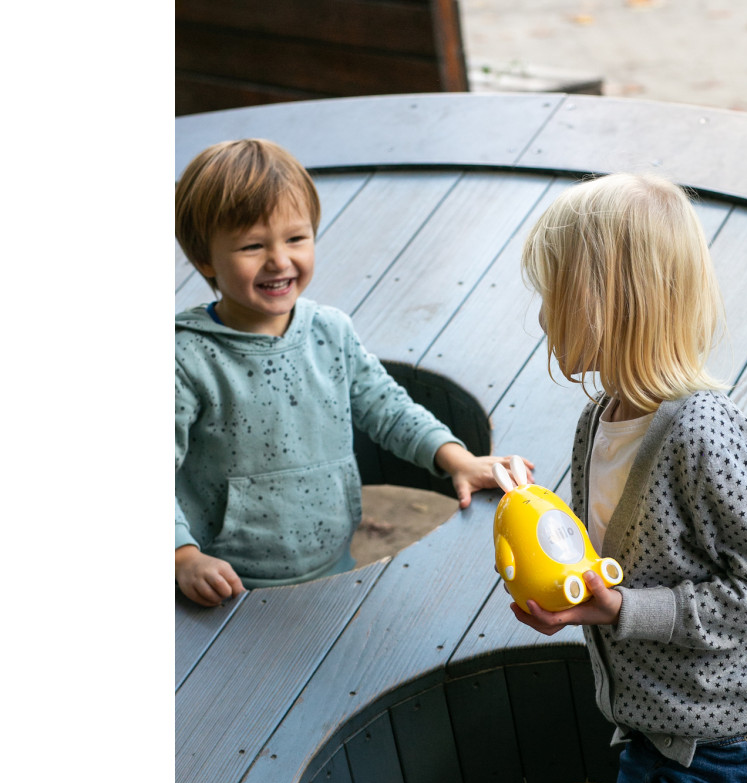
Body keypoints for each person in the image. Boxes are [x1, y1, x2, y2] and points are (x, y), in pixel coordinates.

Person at [513, 173, 747, 783]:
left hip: (729, 734)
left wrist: (621, 613)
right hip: (654, 719)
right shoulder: (600, 419)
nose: (542, 315)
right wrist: (562, 574)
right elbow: (611, 551)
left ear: (606, 305)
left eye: (553, 295)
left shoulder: (704, 436)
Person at [176, 138, 532, 607]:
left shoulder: (330, 330)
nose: (280, 260)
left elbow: (388, 407)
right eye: (252, 246)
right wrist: (182, 556)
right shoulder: (186, 357)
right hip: (227, 581)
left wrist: (456, 459)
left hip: (333, 561)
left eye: (296, 238)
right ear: (205, 259)